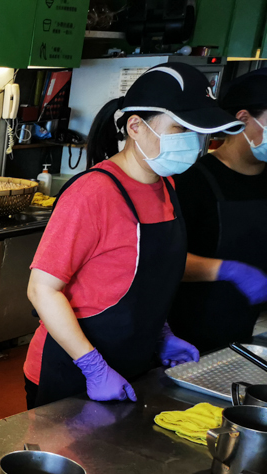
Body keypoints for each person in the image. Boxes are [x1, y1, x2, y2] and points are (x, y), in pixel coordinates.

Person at [23, 63, 243, 409]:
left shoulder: (166, 186)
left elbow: (143, 274)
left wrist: (162, 334)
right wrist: (93, 368)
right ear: (136, 126)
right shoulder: (93, 193)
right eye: (181, 128)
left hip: (134, 363)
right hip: (71, 370)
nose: (195, 142)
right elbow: (41, 289)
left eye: (198, 132)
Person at [169, 72, 267, 352]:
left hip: (247, 329)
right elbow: (163, 259)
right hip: (186, 335)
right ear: (244, 118)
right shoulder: (191, 181)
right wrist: (230, 271)